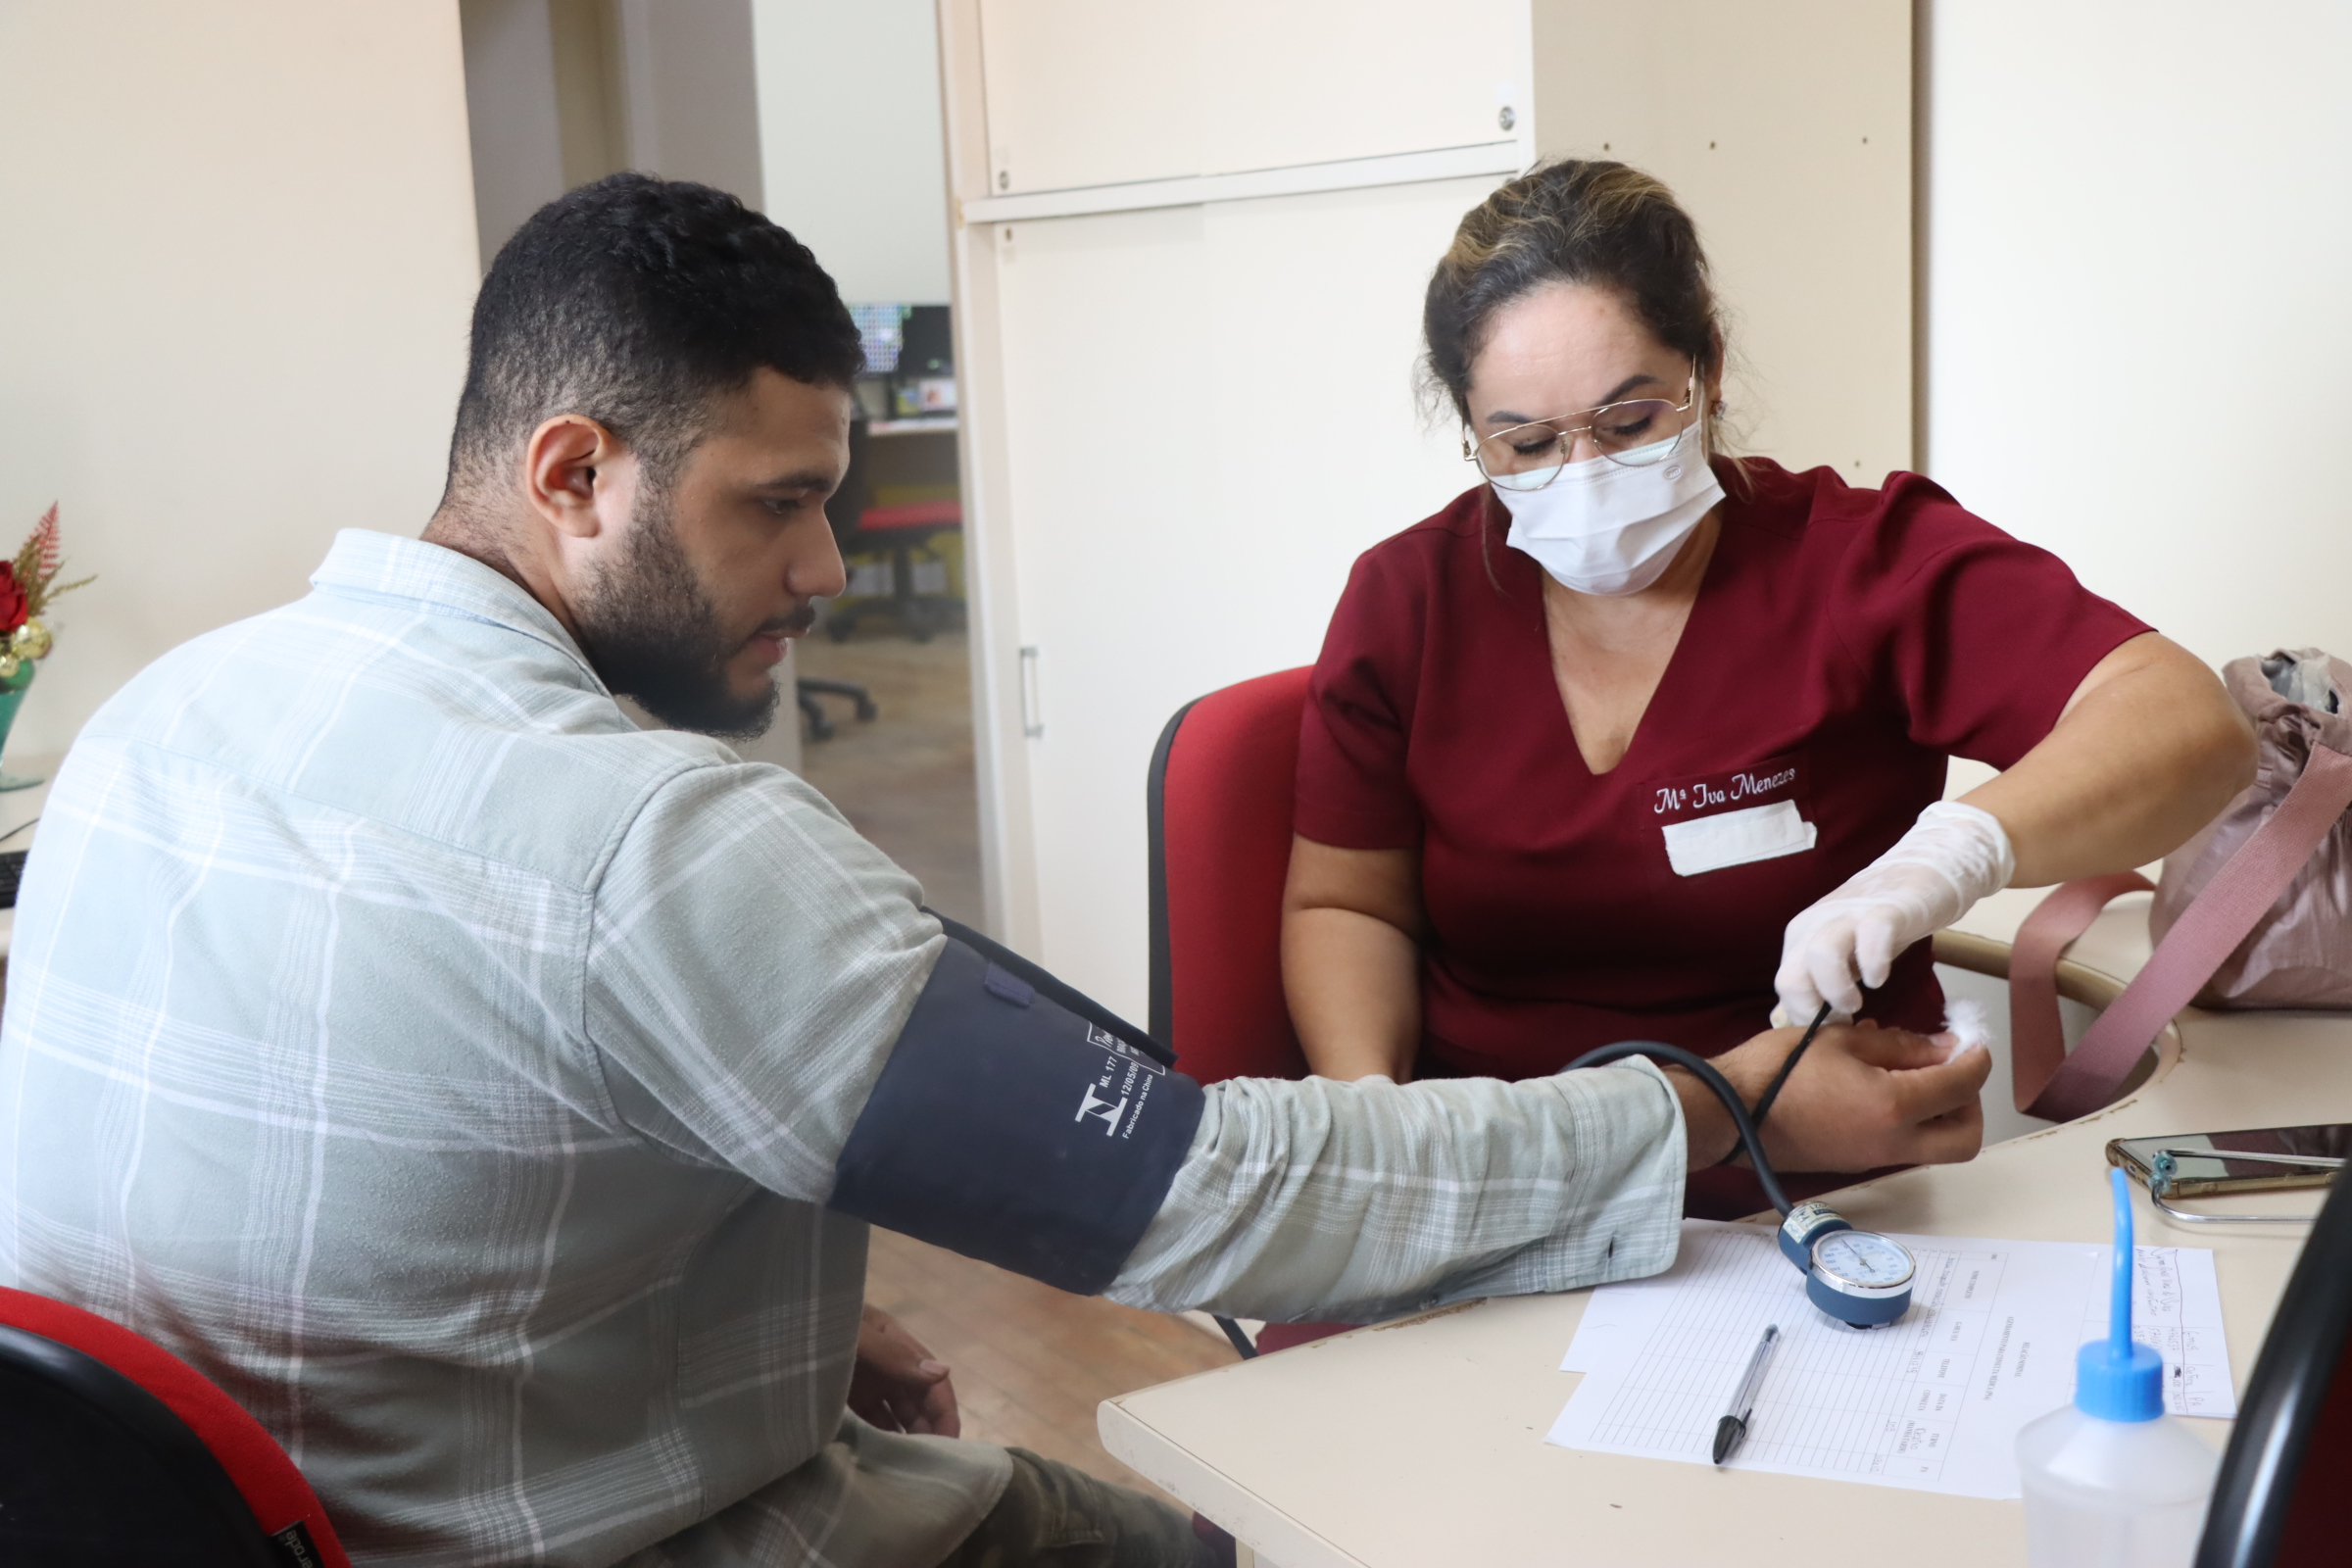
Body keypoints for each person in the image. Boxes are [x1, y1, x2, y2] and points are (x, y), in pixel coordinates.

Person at [0, 174, 1985, 1568]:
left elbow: (419, 1113)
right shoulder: (649, 842)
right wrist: (1708, 1102)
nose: (828, 570)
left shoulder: (169, 715)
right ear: (576, 472)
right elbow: (1207, 1184)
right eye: (777, 505)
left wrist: (735, 1303)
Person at [1282, 161, 2254, 1223]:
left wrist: (1952, 852)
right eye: (1526, 444)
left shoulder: (1857, 567)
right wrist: (1374, 1143)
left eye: (1629, 421)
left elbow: (2186, 720)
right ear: (1471, 433)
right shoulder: (1410, 599)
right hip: (1497, 1181)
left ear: (1709, 373)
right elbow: (1344, 903)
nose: (1584, 474)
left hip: (1810, 1192)